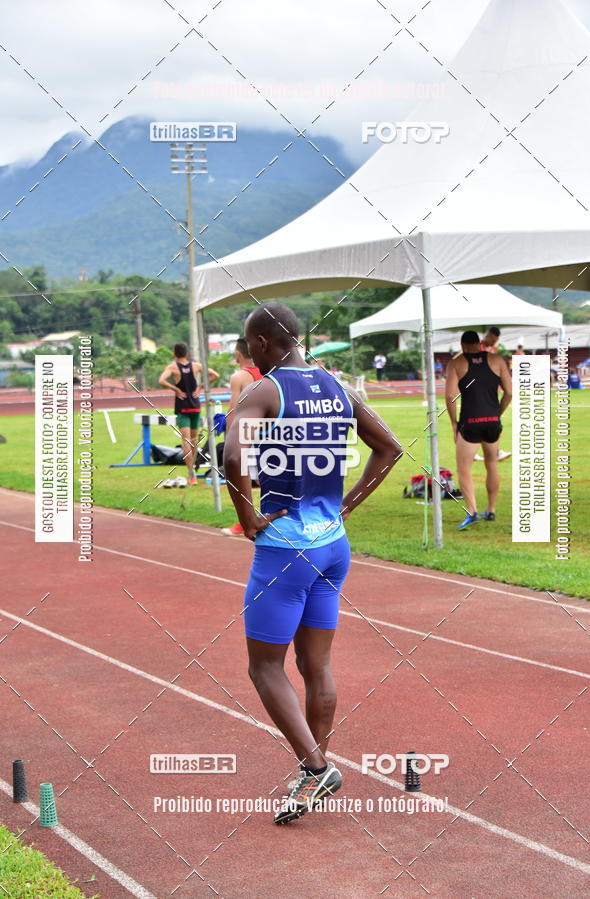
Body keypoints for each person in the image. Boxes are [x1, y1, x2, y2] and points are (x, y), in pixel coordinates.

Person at [224, 302, 401, 823]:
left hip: (284, 549)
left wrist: (248, 516)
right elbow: (388, 447)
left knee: (264, 667)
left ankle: (316, 766)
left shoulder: (266, 389)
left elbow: (232, 458)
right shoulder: (337, 384)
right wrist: (349, 503)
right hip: (332, 545)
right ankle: (311, 776)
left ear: (260, 344)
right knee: (316, 664)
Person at [445, 330, 512, 530]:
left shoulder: (456, 363)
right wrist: (497, 413)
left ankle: (473, 511)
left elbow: (450, 397)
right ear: (479, 343)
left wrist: (454, 423)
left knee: (464, 469)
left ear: (463, 344)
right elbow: (509, 393)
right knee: (492, 464)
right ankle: (491, 509)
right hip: (492, 421)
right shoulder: (497, 360)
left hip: (470, 422)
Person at [159, 342, 218, 485]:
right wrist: (201, 387)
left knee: (185, 441)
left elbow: (161, 380)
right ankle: (193, 474)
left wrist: (176, 390)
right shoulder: (196, 366)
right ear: (186, 354)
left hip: (182, 407)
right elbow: (215, 375)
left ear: (174, 354)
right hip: (195, 406)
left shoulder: (173, 367)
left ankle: (191, 474)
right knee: (193, 441)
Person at [222, 338, 262, 536]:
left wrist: (230, 438)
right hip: (272, 433)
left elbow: (233, 411)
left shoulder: (239, 377)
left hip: (248, 434)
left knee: (242, 479)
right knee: (268, 480)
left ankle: (245, 523)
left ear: (238, 354)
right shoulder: (270, 371)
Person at [475, 326, 511, 463]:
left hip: (489, 391)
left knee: (486, 422)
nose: (494, 343)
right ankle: (495, 452)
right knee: (490, 422)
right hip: (480, 391)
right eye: (493, 340)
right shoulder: (476, 347)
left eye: (496, 341)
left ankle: (492, 451)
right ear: (488, 336)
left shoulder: (491, 350)